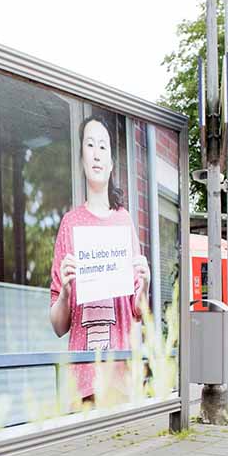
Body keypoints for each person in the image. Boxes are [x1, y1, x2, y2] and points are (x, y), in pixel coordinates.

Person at [49, 116, 150, 408]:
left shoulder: (123, 221)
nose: (96, 153)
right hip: (83, 383)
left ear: (111, 163)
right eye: (90, 145)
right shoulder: (70, 224)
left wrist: (145, 284)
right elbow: (58, 326)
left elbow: (138, 310)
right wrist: (65, 293)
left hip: (121, 378)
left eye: (103, 146)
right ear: (81, 158)